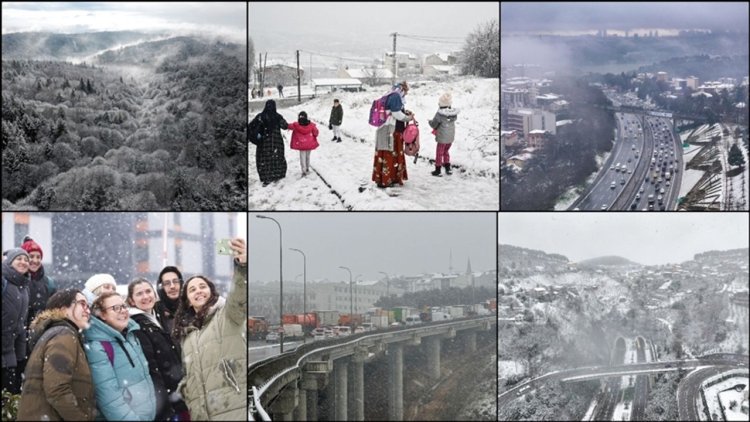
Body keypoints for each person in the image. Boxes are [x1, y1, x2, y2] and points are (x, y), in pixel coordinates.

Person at [172, 238, 247, 421]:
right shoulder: (187, 335)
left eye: (202, 286)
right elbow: (189, 373)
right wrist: (186, 391)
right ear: (188, 300)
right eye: (192, 289)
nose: (198, 291)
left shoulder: (228, 315)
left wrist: (242, 266)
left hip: (234, 410)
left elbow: (239, 295)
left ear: (211, 291)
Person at [17, 289, 95, 421]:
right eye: (82, 304)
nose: (87, 310)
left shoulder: (60, 333)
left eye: (88, 306)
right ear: (63, 309)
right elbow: (57, 389)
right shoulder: (63, 335)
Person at [85, 291, 156, 421]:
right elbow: (109, 398)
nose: (123, 311)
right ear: (102, 314)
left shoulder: (131, 335)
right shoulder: (97, 347)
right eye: (116, 308)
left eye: (123, 306)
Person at [127, 279, 189, 421]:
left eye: (148, 291)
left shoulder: (155, 318)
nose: (145, 296)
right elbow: (151, 368)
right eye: (139, 294)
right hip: (169, 400)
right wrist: (166, 404)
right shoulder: (137, 325)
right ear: (131, 300)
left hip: (177, 393)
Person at [18, 235, 57, 378]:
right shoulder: (17, 279)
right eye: (31, 256)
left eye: (38, 257)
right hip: (19, 336)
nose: (35, 260)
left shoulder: (48, 283)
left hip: (41, 334)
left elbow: (54, 309)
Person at [372, 81, 413, 188]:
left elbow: (392, 110)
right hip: (392, 130)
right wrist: (408, 118)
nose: (406, 94)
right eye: (406, 91)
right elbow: (396, 113)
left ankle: (382, 178)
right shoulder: (396, 96)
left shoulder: (390, 94)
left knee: (385, 153)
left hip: (385, 129)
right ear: (403, 89)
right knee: (392, 154)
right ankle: (389, 179)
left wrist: (404, 112)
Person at [1, 248, 30, 397]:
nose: (23, 262)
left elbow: (21, 325)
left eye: (26, 260)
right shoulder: (4, 280)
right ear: (10, 262)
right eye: (19, 259)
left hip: (10, 354)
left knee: (9, 397)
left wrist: (21, 357)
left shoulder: (24, 287)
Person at [249, 100, 289, 186]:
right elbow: (285, 126)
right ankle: (277, 174)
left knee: (264, 159)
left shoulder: (260, 116)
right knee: (277, 157)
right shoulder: (278, 117)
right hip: (276, 141)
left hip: (264, 142)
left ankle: (266, 177)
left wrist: (257, 135)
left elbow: (250, 126)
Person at [428, 92, 460, 177]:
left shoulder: (439, 114)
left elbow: (434, 124)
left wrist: (429, 122)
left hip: (442, 138)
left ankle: (438, 170)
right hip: (450, 137)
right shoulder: (453, 113)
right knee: (446, 151)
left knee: (439, 153)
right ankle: (447, 168)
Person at [287, 110, 319, 176]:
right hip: (309, 144)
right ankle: (307, 168)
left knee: (302, 157)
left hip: (301, 144)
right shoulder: (311, 125)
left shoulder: (296, 125)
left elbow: (288, 126)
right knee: (308, 157)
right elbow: (316, 133)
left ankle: (303, 170)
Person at [155, 266, 183, 333]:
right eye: (167, 283)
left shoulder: (191, 307)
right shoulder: (155, 311)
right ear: (161, 287)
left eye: (175, 281)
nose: (172, 286)